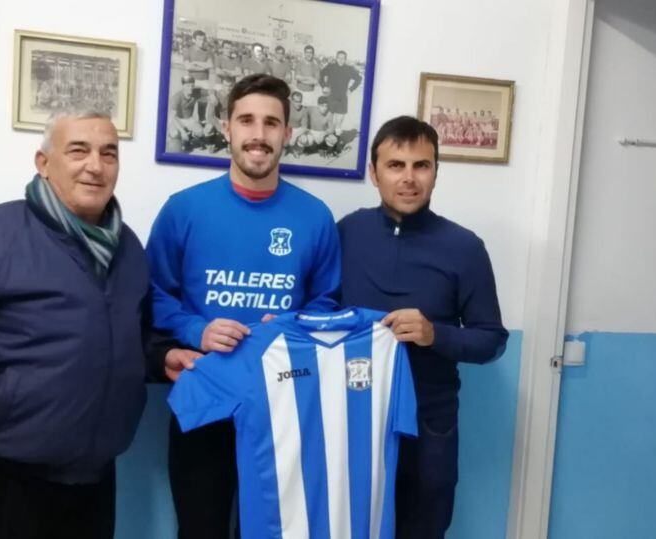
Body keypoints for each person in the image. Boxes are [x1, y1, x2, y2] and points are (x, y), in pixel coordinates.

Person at [0, 108, 190, 538]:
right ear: (43, 163)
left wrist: (161, 357)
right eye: (78, 151)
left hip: (94, 480)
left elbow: (130, 335)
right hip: (1, 480)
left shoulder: (128, 248)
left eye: (109, 153)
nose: (95, 166)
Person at [147, 73, 341, 539]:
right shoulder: (184, 210)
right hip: (204, 397)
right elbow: (152, 293)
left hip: (284, 408)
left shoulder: (315, 217)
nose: (259, 134)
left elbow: (328, 301)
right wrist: (197, 330)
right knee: (201, 529)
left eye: (272, 123)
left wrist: (293, 324)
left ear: (288, 134)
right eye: (247, 120)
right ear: (226, 128)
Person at [337, 116, 509, 539]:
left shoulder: (464, 248)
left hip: (429, 420)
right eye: (396, 165)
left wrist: (436, 334)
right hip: (352, 412)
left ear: (435, 173)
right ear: (374, 173)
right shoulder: (345, 233)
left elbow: (492, 340)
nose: (409, 178)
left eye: (422, 165)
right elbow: (316, 310)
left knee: (423, 528)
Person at [318, 50, 363, 132]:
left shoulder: (349, 69)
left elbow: (359, 79)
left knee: (339, 123)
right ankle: (328, 134)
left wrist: (351, 89)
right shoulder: (330, 67)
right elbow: (320, 74)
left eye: (343, 58)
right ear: (336, 58)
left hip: (342, 97)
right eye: (339, 58)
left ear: (345, 59)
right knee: (329, 120)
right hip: (330, 96)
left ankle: (336, 133)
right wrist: (324, 86)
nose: (341, 60)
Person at [168, 74, 205, 151]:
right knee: (174, 133)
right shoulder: (176, 97)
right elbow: (172, 117)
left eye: (192, 85)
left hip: (189, 119)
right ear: (183, 86)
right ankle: (181, 139)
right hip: (178, 120)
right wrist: (182, 131)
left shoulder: (196, 93)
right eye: (188, 86)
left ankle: (189, 137)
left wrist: (212, 95)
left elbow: (210, 91)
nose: (190, 88)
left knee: (201, 132)